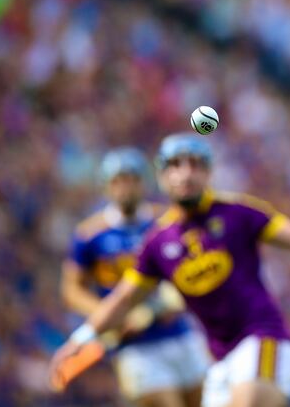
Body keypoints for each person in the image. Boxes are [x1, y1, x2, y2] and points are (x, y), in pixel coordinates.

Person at [50, 134, 290, 407]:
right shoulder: (157, 242)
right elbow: (124, 299)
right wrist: (80, 339)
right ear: (161, 176)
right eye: (175, 165)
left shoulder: (236, 212)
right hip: (220, 362)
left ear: (208, 172)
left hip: (263, 339)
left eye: (195, 165)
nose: (186, 173)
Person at [61, 147, 210, 407]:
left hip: (179, 332)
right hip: (135, 346)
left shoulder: (166, 220)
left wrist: (169, 303)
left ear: (145, 182)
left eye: (132, 180)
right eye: (118, 181)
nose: (125, 188)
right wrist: (110, 314)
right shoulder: (90, 234)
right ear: (106, 186)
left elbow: (192, 269)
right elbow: (72, 290)